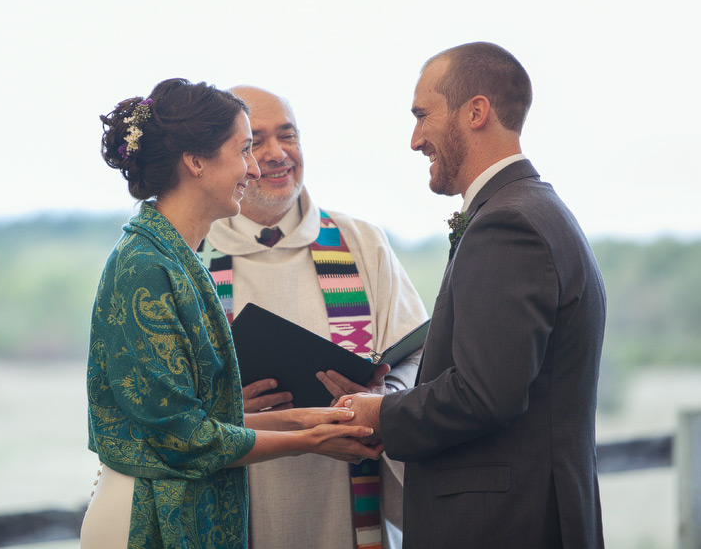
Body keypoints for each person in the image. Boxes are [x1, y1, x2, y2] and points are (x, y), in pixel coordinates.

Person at [80, 78, 383, 549]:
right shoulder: (143, 266)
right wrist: (310, 439)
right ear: (196, 161)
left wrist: (310, 419)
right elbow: (184, 437)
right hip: (144, 517)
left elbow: (210, 417)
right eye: (244, 149)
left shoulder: (181, 257)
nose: (253, 167)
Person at [337, 42, 607, 548]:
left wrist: (380, 414)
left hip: (501, 525)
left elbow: (484, 395)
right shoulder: (533, 208)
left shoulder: (508, 224)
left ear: (476, 111)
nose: (415, 140)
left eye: (422, 115)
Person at [196, 85, 429, 549]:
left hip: (345, 496)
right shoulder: (195, 257)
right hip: (247, 495)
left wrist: (382, 397)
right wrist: (224, 410)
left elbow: (420, 354)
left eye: (289, 135)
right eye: (255, 142)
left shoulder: (361, 243)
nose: (278, 153)